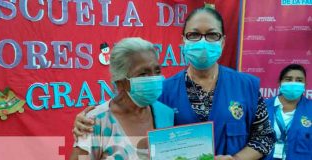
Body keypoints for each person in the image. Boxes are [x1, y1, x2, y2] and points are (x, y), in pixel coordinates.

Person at [73, 6, 276, 160]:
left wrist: (236, 159)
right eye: (194, 34)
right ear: (183, 41)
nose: (203, 41)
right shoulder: (161, 93)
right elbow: (124, 107)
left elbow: (264, 137)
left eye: (212, 34)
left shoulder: (246, 86)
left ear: (222, 41)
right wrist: (86, 120)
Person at [70, 37, 174, 160]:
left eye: (157, 71)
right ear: (120, 82)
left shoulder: (165, 113)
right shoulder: (95, 122)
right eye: (143, 74)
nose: (153, 78)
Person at [265, 64, 312, 160]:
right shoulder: (262, 107)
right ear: (280, 83)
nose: (293, 83)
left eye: (299, 80)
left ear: (305, 85)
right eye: (288, 79)